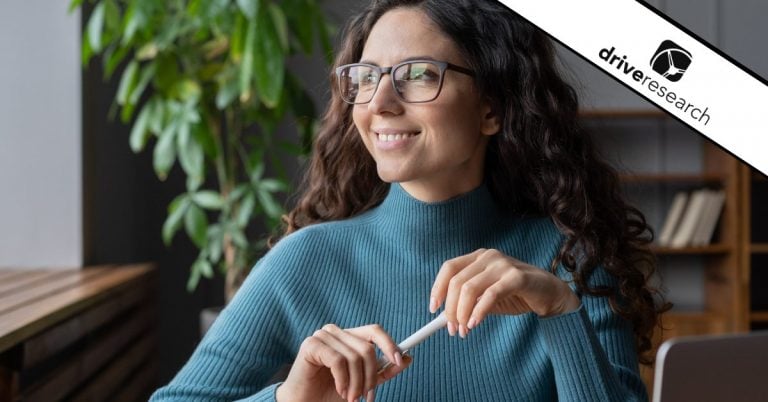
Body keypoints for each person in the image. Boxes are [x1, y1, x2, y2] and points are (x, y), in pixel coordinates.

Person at [150, 0, 668, 401]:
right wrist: (289, 398)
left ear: (492, 108)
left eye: (418, 74)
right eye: (367, 77)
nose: (379, 103)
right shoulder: (304, 262)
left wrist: (559, 308)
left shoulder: (569, 264)